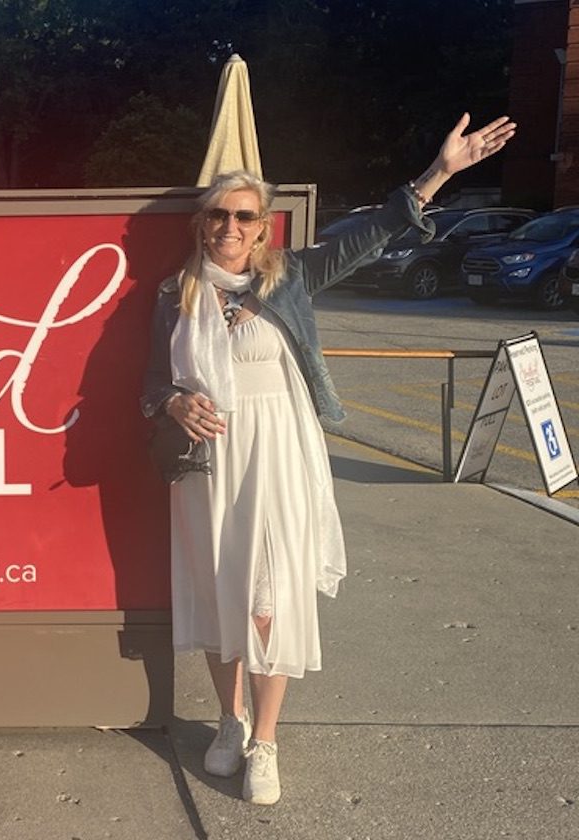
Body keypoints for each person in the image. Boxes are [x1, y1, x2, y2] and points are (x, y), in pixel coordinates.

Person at [140, 113, 515, 805]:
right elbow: (150, 383)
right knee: (223, 600)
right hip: (209, 465)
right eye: (219, 214)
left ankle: (266, 742)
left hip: (276, 458)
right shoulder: (177, 294)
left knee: (266, 603)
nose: (230, 225)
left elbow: (368, 236)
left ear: (263, 226)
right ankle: (230, 722)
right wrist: (171, 405)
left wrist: (438, 175)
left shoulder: (288, 278)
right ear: (204, 224)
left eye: (244, 215)